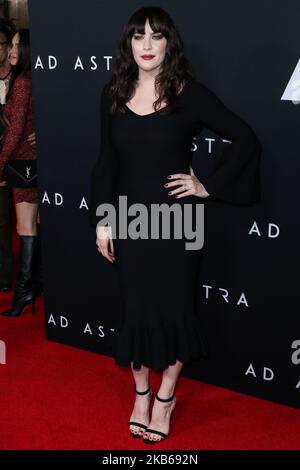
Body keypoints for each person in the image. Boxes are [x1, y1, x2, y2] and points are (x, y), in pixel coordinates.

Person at [90, 6, 261, 444]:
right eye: (138, 37)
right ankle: (141, 394)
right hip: (130, 221)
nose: (147, 46)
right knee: (137, 310)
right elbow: (106, 165)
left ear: (170, 42)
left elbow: (245, 138)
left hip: (177, 223)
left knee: (175, 310)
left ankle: (165, 398)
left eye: (156, 36)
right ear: (128, 43)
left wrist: (207, 185)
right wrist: (104, 222)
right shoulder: (112, 93)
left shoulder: (189, 93)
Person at [0, 28, 42, 317]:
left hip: (23, 164)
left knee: (25, 227)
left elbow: (14, 133)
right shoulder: (25, 80)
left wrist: (0, 163)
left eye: (16, 45)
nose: (11, 51)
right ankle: (31, 287)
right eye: (11, 45)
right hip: (27, 162)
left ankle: (25, 291)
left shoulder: (23, 82)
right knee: (31, 225)